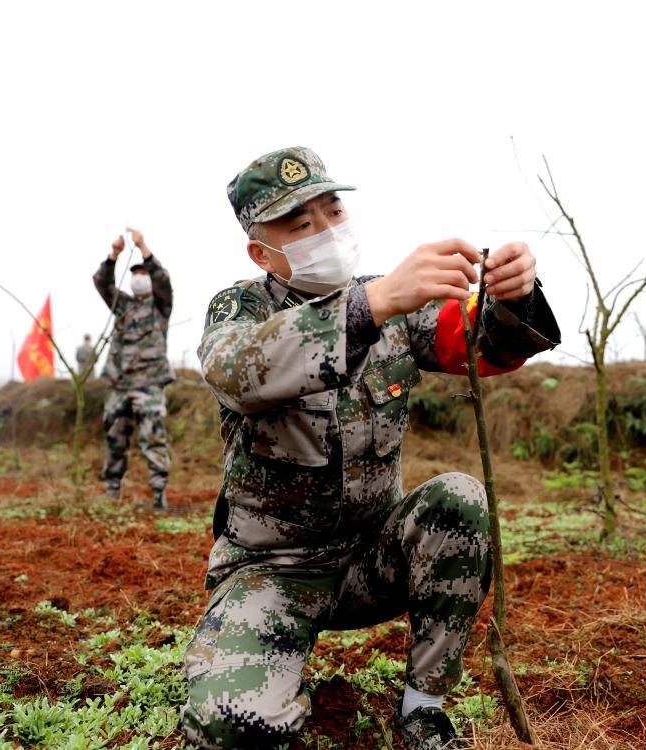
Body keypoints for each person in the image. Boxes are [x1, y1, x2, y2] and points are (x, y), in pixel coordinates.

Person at [181, 147, 561, 750]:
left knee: (458, 498)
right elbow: (237, 371)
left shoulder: (391, 305)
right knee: (232, 722)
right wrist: (373, 303)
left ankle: (423, 708)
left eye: (333, 211)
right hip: (273, 572)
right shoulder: (241, 308)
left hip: (370, 559)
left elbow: (481, 351)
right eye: (301, 225)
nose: (326, 232)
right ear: (261, 252)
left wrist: (512, 296)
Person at [92, 227, 175, 510]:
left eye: (143, 274)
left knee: (153, 439)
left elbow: (163, 280)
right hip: (118, 384)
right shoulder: (122, 305)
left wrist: (143, 248)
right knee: (114, 437)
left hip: (149, 385)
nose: (139, 278)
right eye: (135, 274)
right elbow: (102, 283)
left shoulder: (160, 306)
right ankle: (112, 491)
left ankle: (158, 497)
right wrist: (113, 256)